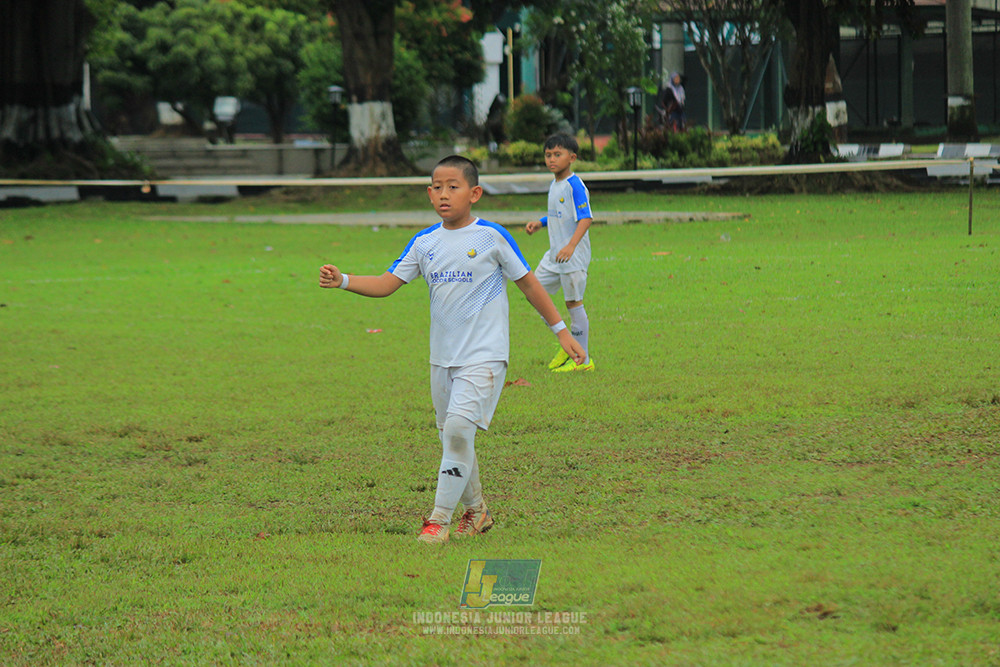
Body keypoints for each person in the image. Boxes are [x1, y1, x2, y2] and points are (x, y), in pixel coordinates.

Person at [319, 155, 585, 545]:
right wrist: (343, 279)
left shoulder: (491, 236)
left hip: (485, 355)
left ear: (474, 193)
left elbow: (529, 284)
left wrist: (561, 331)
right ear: (429, 194)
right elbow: (386, 283)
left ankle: (437, 522)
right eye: (437, 187)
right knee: (453, 438)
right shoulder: (424, 242)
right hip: (441, 360)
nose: (444, 194)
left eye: (453, 187)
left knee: (459, 430)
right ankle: (477, 512)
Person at [525, 134, 595, 373]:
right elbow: (559, 213)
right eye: (548, 155)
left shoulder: (575, 185)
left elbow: (585, 218)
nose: (552, 159)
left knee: (573, 303)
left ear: (572, 158)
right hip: (555, 255)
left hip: (572, 256)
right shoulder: (555, 184)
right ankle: (569, 342)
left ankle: (584, 361)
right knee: (534, 294)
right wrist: (540, 223)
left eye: (557, 154)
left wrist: (571, 246)